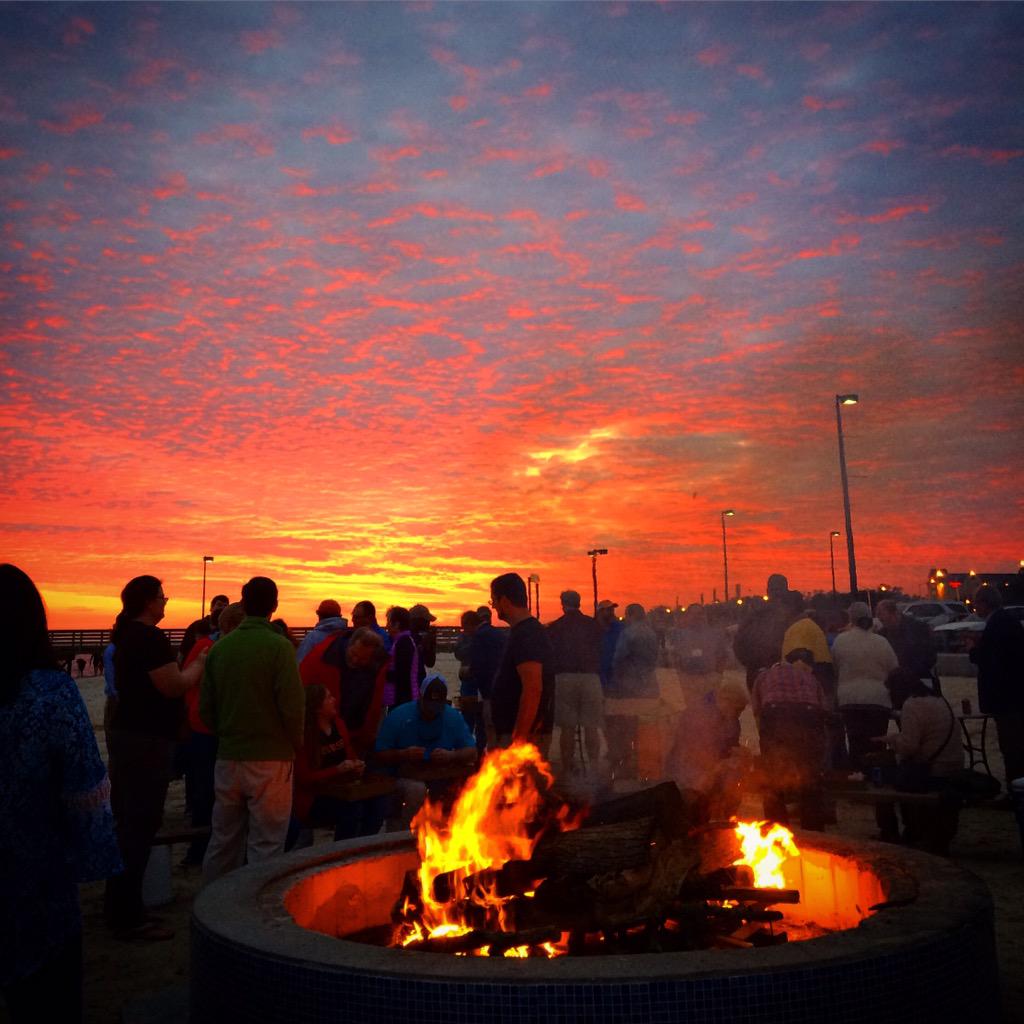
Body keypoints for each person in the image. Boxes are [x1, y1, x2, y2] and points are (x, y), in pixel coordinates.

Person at [0, 565, 122, 1022]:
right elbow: (84, 788)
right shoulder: (49, 693)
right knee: (46, 999)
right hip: (36, 879)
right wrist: (95, 858)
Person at [104, 575, 206, 940]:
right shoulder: (148, 637)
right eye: (163, 597)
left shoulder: (127, 634)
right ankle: (127, 915)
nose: (166, 603)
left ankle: (121, 905)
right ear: (148, 601)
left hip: (130, 736)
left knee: (128, 823)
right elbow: (172, 685)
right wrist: (199, 666)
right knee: (139, 825)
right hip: (145, 742)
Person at [199, 577, 305, 885]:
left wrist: (226, 732)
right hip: (271, 759)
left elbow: (206, 707)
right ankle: (254, 913)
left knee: (223, 839)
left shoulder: (221, 648)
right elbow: (292, 706)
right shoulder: (279, 647)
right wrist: (294, 743)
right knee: (267, 844)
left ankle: (213, 907)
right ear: (274, 605)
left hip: (229, 756)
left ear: (242, 604)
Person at [178, 601, 245, 868]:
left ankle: (202, 850)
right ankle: (199, 850)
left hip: (206, 726)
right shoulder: (210, 648)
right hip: (208, 728)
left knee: (207, 792)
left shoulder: (206, 646)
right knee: (207, 793)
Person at [872, 667, 963, 854]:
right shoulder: (939, 700)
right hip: (953, 765)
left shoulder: (912, 705)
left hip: (933, 771)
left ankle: (892, 832)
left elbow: (909, 747)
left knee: (879, 783)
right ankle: (912, 829)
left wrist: (891, 740)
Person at [374, 675, 477, 827]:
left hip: (440, 773)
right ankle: (403, 834)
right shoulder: (399, 716)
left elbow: (471, 751)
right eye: (428, 705)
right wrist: (404, 754)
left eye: (437, 706)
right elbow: (379, 754)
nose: (432, 711)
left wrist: (451, 755)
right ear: (420, 698)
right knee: (416, 790)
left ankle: (449, 831)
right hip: (403, 775)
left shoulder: (452, 716)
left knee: (468, 783)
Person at [290, 684, 389, 844]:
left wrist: (356, 765)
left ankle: (363, 846)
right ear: (317, 707)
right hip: (315, 797)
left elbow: (349, 753)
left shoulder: (338, 725)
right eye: (329, 698)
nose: (334, 700)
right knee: (353, 809)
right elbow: (304, 778)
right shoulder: (305, 736)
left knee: (378, 802)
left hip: (342, 790)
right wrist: (336, 770)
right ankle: (344, 851)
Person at [751, 649, 828, 830]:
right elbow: (822, 709)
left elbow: (757, 711)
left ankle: (777, 830)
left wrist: (768, 746)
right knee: (810, 777)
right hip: (809, 717)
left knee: (772, 778)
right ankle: (814, 832)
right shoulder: (811, 678)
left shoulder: (764, 677)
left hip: (775, 715)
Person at [664, 678, 750, 819]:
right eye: (738, 709)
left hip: (716, 766)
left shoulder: (732, 720)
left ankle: (725, 818)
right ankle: (695, 818)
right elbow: (693, 750)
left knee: (735, 776)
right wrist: (717, 766)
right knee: (701, 784)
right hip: (688, 766)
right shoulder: (699, 714)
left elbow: (730, 745)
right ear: (726, 701)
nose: (739, 714)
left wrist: (739, 753)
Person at [300, 626, 388, 757]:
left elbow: (374, 702)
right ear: (349, 644)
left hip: (356, 731)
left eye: (363, 659)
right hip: (321, 732)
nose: (355, 660)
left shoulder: (377, 667)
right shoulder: (323, 656)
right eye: (353, 654)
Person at [489, 573, 554, 750]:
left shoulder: (528, 634)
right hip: (517, 733)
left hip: (523, 738)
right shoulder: (522, 632)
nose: (493, 606)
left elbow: (533, 688)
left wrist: (519, 738)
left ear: (504, 600)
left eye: (493, 600)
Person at [969, 586, 1024, 795]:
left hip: (1006, 699)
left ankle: (1015, 792)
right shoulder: (1008, 622)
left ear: (984, 603)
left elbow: (992, 661)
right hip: (1014, 696)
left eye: (976, 603)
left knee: (1012, 748)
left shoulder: (997, 625)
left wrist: (974, 650)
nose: (975, 607)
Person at [832, 601, 898, 772]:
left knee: (855, 743)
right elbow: (894, 670)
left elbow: (835, 667)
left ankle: (858, 777)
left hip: (849, 701)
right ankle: (877, 779)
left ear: (850, 619)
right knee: (877, 744)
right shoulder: (881, 642)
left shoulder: (841, 641)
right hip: (878, 701)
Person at [546, 590, 603, 774]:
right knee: (591, 725)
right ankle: (594, 765)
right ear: (579, 602)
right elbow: (601, 648)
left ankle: (567, 767)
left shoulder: (555, 627)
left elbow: (549, 655)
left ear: (563, 604)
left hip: (565, 678)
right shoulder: (592, 625)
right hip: (590, 677)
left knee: (567, 727)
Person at [733, 573, 793, 690]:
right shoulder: (756, 615)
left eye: (779, 590)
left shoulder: (792, 614)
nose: (777, 593)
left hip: (780, 672)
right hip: (761, 672)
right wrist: (753, 665)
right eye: (775, 590)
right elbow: (740, 642)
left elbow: (739, 642)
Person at [668, 603, 728, 710]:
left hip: (710, 679)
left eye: (700, 614)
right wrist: (681, 674)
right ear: (688, 616)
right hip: (688, 679)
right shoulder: (680, 635)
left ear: (705, 616)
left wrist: (717, 675)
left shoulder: (714, 634)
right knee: (693, 709)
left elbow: (723, 655)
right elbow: (674, 655)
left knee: (710, 708)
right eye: (694, 614)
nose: (697, 617)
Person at [877, 599, 940, 695]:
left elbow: (930, 657)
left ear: (895, 614)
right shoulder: (883, 634)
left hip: (920, 681)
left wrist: (906, 674)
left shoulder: (918, 629)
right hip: (898, 684)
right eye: (881, 621)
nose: (884, 624)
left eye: (886, 620)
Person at [384, 606, 420, 711]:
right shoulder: (401, 641)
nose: (386, 626)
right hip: (402, 696)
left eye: (389, 622)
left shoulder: (403, 642)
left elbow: (402, 674)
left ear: (397, 624)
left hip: (403, 698)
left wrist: (382, 672)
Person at [179, 594, 229, 664]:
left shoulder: (227, 628)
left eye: (225, 606)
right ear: (211, 608)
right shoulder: (196, 625)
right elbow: (183, 651)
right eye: (219, 605)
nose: (222, 608)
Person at [295, 599, 348, 664]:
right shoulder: (348, 636)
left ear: (320, 615)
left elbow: (300, 663)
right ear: (340, 616)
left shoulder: (312, 638)